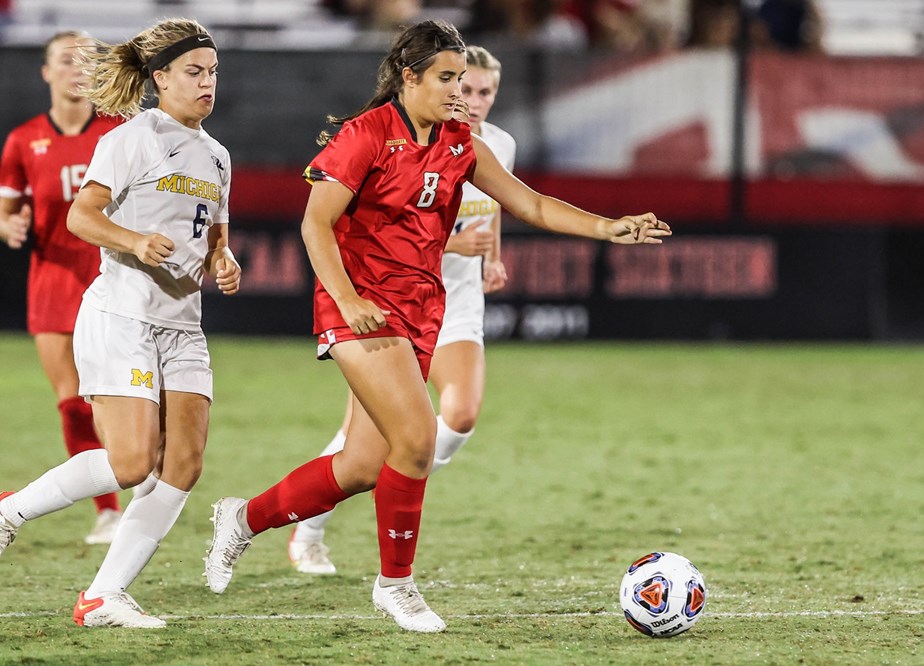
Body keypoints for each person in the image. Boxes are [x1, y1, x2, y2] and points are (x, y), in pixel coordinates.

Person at [204, 19, 668, 634]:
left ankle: (241, 520)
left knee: (362, 466)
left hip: (422, 311)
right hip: (361, 305)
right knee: (419, 441)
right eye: (447, 79)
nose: (458, 90)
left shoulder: (460, 143)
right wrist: (345, 298)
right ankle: (396, 586)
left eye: (463, 80)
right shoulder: (364, 136)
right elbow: (315, 226)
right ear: (409, 77)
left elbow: (528, 204)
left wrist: (607, 226)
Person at [0, 18, 241, 629]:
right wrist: (134, 240)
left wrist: (224, 259)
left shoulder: (217, 155)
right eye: (194, 71)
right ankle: (11, 510)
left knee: (183, 464)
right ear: (160, 77)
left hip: (183, 324)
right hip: (123, 314)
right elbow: (84, 216)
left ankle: (103, 595)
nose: (207, 82)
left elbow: (214, 235)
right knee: (133, 461)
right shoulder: (135, 137)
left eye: (213, 71)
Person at [285, 44, 515, 576]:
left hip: (455, 303)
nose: (468, 97)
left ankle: (395, 486)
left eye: (481, 90)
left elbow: (494, 205)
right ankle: (315, 525)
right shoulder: (382, 136)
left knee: (456, 417)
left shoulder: (495, 144)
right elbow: (350, 222)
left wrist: (494, 258)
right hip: (386, 302)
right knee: (368, 447)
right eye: (459, 82)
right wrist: (447, 249)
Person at [0, 31, 123, 546]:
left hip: (112, 277)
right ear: (46, 72)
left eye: (87, 62)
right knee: (72, 402)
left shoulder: (117, 133)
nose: (77, 69)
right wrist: (9, 227)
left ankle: (137, 478)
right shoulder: (24, 140)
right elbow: (7, 212)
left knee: (116, 399)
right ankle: (108, 511)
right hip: (52, 279)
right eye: (66, 60)